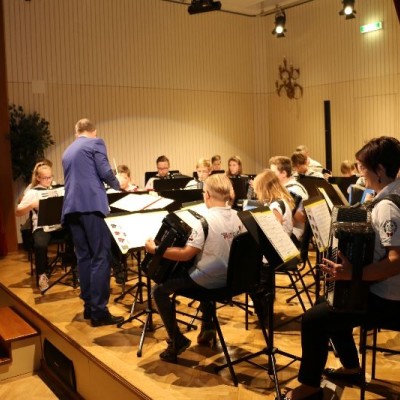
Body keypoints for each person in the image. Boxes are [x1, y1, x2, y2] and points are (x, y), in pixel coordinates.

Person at [284, 136, 400, 400]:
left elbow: (396, 261)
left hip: (389, 299)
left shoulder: (388, 207)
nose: (360, 173)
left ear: (380, 170)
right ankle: (351, 368)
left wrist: (352, 274)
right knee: (333, 300)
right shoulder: (393, 194)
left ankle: (309, 389)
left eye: (363, 167)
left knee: (313, 320)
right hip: (388, 291)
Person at [144, 174, 245, 362]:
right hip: (232, 280)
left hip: (209, 282)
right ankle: (207, 328)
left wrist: (155, 250)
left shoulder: (204, 222)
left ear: (207, 195)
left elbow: (185, 254)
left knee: (158, 290)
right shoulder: (239, 217)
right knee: (205, 265)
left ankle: (176, 340)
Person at [61, 118, 123, 327]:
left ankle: (89, 307)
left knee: (84, 257)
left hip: (71, 209)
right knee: (101, 256)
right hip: (91, 206)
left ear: (76, 132)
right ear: (93, 131)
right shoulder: (95, 142)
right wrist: (119, 185)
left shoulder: (67, 151)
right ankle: (99, 312)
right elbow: (105, 171)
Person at [16, 163, 65, 292]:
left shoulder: (58, 189)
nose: (49, 180)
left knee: (77, 234)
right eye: (45, 178)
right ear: (38, 178)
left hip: (59, 225)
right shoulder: (33, 192)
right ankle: (42, 275)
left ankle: (76, 269)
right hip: (42, 227)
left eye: (50, 177)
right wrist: (32, 205)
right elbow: (18, 212)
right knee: (40, 244)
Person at [269, 156, 309, 242]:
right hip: (289, 229)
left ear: (283, 173)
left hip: (295, 232)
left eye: (273, 173)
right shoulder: (284, 188)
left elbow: (300, 219)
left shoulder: (294, 190)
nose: (271, 176)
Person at [252, 169, 295, 236]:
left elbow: (275, 232)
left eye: (257, 189)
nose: (255, 192)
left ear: (265, 190)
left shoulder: (274, 207)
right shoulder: (282, 200)